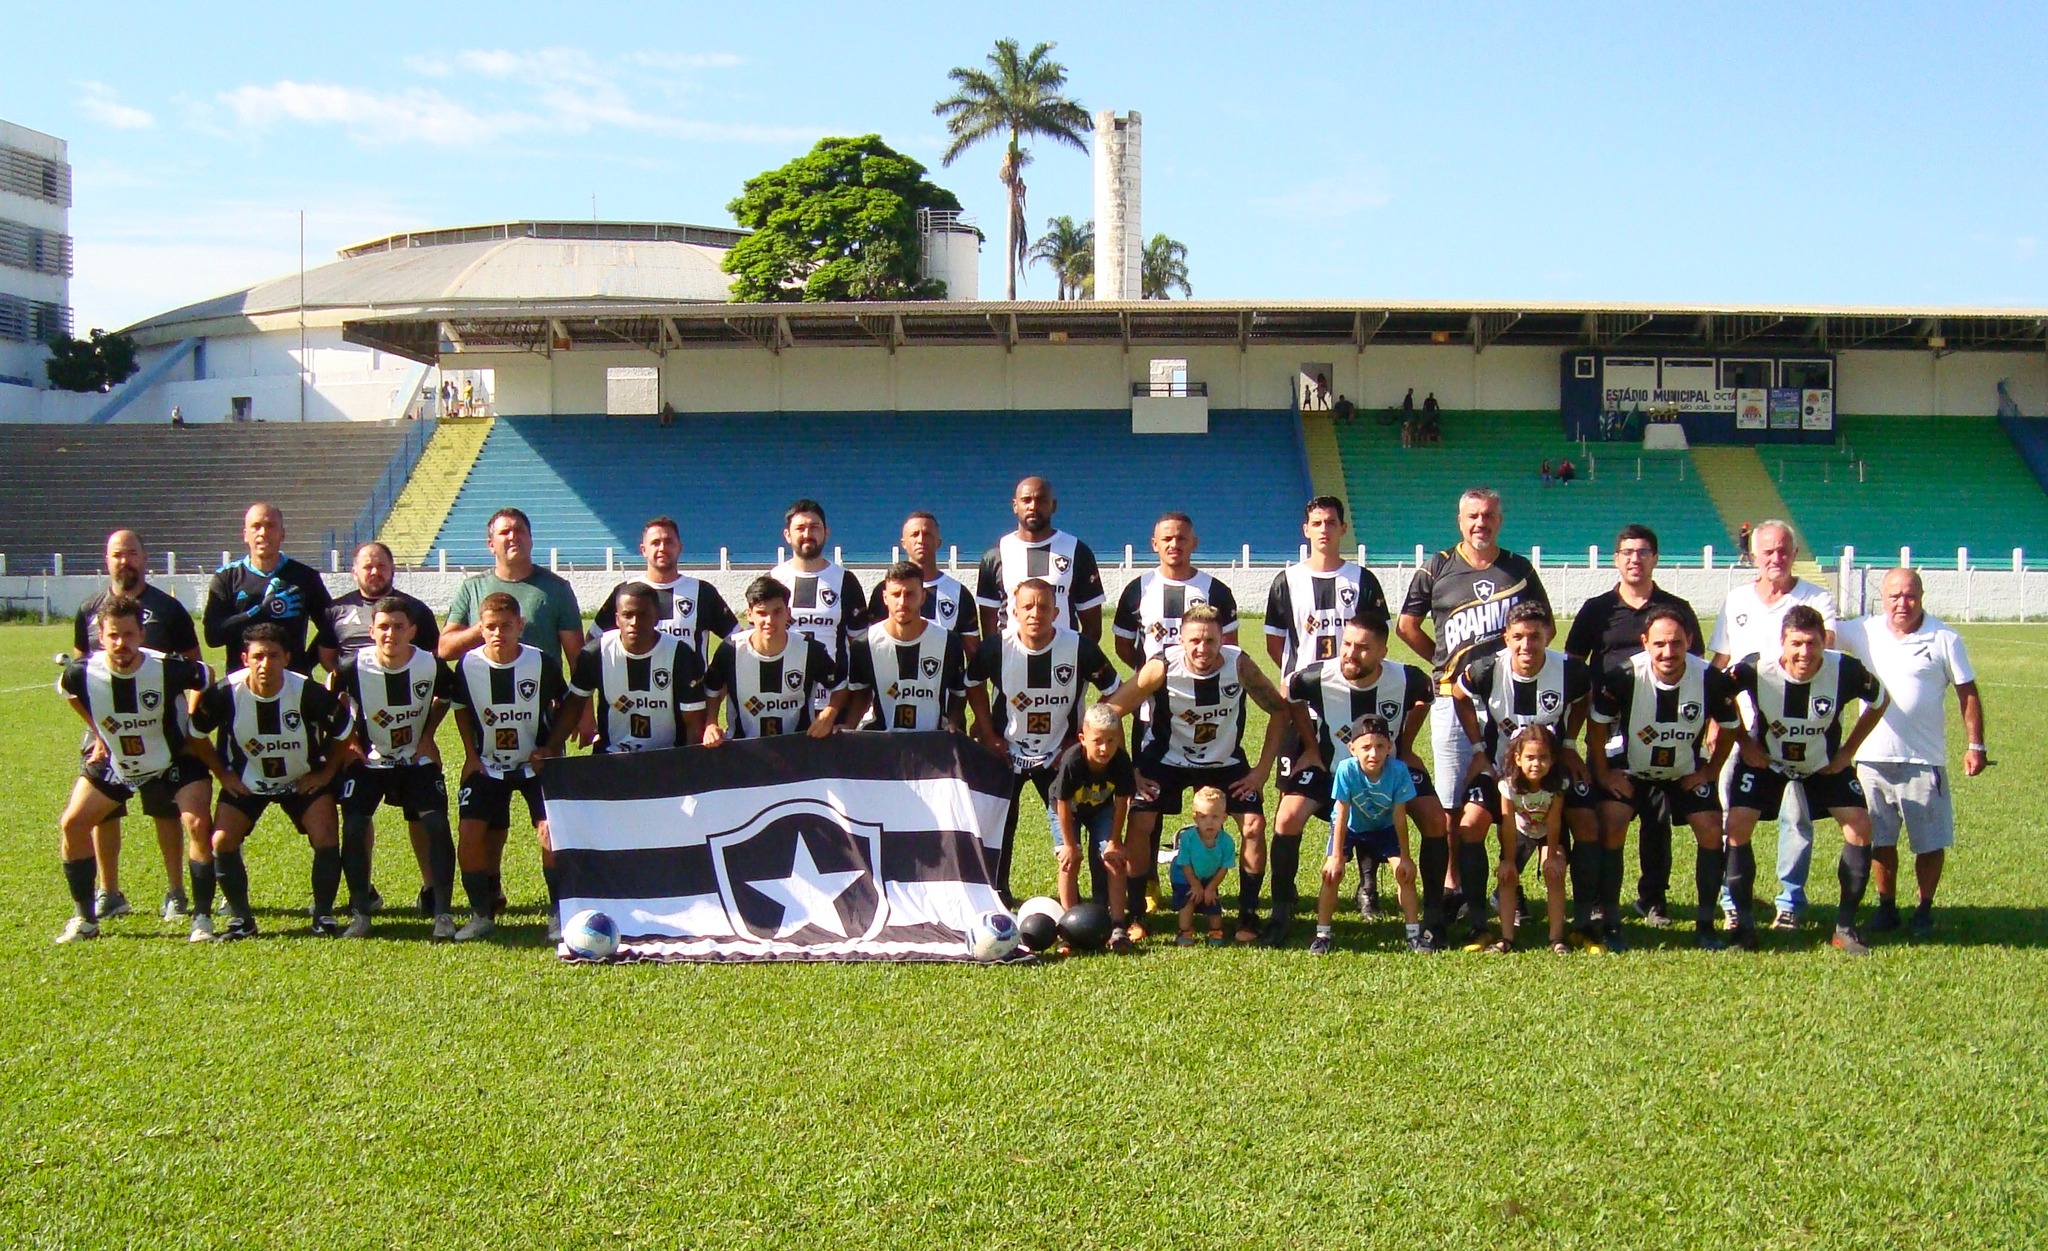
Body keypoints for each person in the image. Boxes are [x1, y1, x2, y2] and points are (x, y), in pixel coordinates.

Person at [1105, 605, 1298, 944]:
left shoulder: (1239, 664)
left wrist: (1261, 771)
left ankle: (1248, 914)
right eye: (1195, 640)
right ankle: (1136, 915)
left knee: (1254, 825)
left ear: (1222, 639)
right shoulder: (1162, 666)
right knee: (1141, 822)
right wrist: (1131, 773)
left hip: (1224, 760)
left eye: (1210, 640)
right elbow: (1112, 710)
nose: (1202, 649)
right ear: (1181, 640)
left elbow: (1280, 710)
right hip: (1167, 758)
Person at [1723, 606, 1889, 954]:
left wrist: (1848, 751)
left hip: (1822, 763)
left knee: (1859, 825)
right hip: (1767, 760)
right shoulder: (1755, 668)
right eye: (1796, 643)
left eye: (1812, 643)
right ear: (1782, 642)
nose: (1804, 653)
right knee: (1738, 825)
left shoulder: (1844, 668)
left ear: (1822, 643)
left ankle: (1845, 928)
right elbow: (1720, 696)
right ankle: (1745, 927)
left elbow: (1880, 700)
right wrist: (1744, 741)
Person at [1563, 523, 1705, 926]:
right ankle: (1595, 898)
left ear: (1655, 558)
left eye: (1643, 552)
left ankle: (1653, 897)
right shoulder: (1597, 609)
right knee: (1602, 813)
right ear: (1616, 559)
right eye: (1627, 552)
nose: (1635, 559)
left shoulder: (1675, 609)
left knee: (1657, 815)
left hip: (1664, 727)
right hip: (1605, 727)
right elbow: (1574, 668)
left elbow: (1696, 669)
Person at [1268, 612, 1438, 948]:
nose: (1349, 653)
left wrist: (1405, 746)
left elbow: (1425, 698)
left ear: (1382, 653)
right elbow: (1293, 695)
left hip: (1385, 771)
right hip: (1333, 770)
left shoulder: (1407, 679)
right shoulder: (1318, 676)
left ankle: (1433, 918)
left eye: (1362, 648)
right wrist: (1312, 747)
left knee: (1435, 820)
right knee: (1286, 818)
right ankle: (1280, 912)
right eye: (1346, 644)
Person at [548, 582, 708, 940]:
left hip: (665, 760)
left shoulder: (680, 655)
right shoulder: (595, 654)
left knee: (668, 837)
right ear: (616, 617)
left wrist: (691, 768)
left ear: (658, 616)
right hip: (612, 760)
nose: (635, 621)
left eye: (643, 614)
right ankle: (598, 900)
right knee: (603, 835)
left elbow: (693, 723)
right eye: (627, 615)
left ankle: (675, 902)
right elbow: (575, 704)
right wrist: (549, 747)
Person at [52, 597, 217, 944]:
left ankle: (201, 917)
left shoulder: (166, 668)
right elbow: (67, 691)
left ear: (141, 634)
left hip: (172, 758)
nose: (121, 643)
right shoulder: (83, 671)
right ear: (101, 636)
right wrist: (98, 734)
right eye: (113, 635)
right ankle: (85, 919)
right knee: (73, 824)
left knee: (197, 822)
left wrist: (192, 729)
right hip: (119, 762)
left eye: (128, 634)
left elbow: (206, 676)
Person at [1836, 568, 1987, 936]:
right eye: (1893, 596)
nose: (1901, 603)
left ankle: (1924, 907)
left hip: (1923, 759)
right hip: (1871, 759)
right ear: (1882, 598)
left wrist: (1975, 745)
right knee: (1879, 840)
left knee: (1929, 843)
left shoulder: (1945, 638)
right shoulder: (1863, 630)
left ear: (1921, 595)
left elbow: (1967, 693)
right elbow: (1819, 630)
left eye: (1909, 595)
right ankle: (1886, 906)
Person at [190, 622, 357, 940]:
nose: (265, 664)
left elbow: (344, 731)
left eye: (273, 656)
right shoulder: (226, 692)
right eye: (258, 656)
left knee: (325, 834)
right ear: (245, 658)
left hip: (300, 779)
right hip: (248, 781)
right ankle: (242, 920)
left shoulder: (306, 691)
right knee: (222, 840)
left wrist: (325, 772)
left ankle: (323, 915)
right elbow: (196, 733)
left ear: (286, 658)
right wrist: (223, 774)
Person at [1588, 607, 1743, 950]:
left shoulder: (1711, 679)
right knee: (1612, 821)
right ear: (1645, 642)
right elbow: (1596, 728)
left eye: (1676, 643)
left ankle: (1705, 925)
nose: (1668, 652)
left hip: (1683, 770)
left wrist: (1709, 771)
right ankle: (1611, 921)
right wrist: (1604, 773)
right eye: (1659, 644)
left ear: (1689, 640)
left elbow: (1732, 728)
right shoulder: (1624, 676)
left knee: (1710, 827)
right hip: (1630, 767)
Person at [1707, 519, 1836, 929]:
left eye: (1783, 550)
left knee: (1795, 816)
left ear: (1795, 553)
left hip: (1798, 730)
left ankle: (1789, 902)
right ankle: (1733, 899)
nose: (1776, 558)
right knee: (1733, 816)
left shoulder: (1817, 598)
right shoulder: (1737, 599)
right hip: (1740, 729)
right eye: (1768, 552)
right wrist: (1714, 717)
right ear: (1753, 556)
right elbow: (1721, 662)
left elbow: (1825, 649)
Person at [964, 578, 1121, 908]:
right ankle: (995, 894)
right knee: (998, 821)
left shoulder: (1078, 646)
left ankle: (1092, 904)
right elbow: (973, 684)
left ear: (1056, 610)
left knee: (1075, 821)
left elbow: (1113, 688)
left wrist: (1078, 738)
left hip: (1059, 754)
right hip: (1007, 751)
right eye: (1028, 606)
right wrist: (990, 735)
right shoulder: (996, 646)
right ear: (1014, 610)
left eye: (1044, 606)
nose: (1036, 612)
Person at [73, 529, 204, 922]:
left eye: (132, 553)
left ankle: (176, 892)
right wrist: (97, 732)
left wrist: (191, 728)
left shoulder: (168, 609)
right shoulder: (89, 608)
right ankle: (108, 892)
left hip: (160, 731)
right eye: (117, 554)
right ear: (106, 558)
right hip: (110, 732)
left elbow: (195, 666)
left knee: (166, 810)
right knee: (102, 812)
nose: (124, 560)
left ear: (145, 558)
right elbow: (78, 673)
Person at [1450, 602, 1599, 947]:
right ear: (1506, 637)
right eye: (1518, 637)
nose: (1526, 645)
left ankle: (1583, 922)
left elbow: (1585, 696)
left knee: (1589, 824)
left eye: (1535, 636)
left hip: (1550, 770)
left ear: (1547, 635)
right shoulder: (1486, 669)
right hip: (1501, 770)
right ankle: (1477, 922)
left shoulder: (1570, 672)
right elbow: (1458, 694)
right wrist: (1477, 749)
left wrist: (1570, 742)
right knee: (1469, 825)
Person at [1397, 488, 1550, 811]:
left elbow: (1545, 626)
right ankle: (1452, 865)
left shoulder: (1519, 569)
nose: (1481, 522)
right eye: (1473, 516)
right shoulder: (1436, 567)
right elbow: (1406, 626)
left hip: (1506, 696)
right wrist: (1443, 660)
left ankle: (1514, 858)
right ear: (1460, 522)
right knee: (1451, 800)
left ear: (1500, 520)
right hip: (1452, 695)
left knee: (1521, 789)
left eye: (1488, 515)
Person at [322, 539, 440, 916]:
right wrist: (347, 736)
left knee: (418, 813)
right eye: (366, 566)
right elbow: (328, 670)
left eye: (381, 566)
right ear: (354, 571)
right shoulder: (335, 610)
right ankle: (364, 890)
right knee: (358, 814)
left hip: (406, 728)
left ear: (392, 569)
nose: (374, 572)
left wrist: (427, 734)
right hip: (362, 732)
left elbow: (432, 670)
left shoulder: (414, 609)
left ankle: (431, 889)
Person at [332, 597, 461, 939]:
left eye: (399, 627)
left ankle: (443, 912)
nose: (391, 634)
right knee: (356, 825)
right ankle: (361, 911)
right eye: (384, 627)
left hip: (415, 760)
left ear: (412, 631)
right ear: (371, 630)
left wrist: (428, 735)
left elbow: (447, 696)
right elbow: (334, 702)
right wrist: (351, 742)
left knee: (435, 823)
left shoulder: (430, 666)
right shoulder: (352, 666)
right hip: (370, 761)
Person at [446, 593, 568, 941]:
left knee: (550, 832)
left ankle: (558, 912)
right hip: (487, 766)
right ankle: (481, 913)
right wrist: (471, 754)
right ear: (480, 629)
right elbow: (460, 708)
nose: (498, 633)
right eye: (490, 627)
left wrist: (550, 747)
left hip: (535, 766)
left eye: (506, 626)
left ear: (520, 626)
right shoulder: (468, 665)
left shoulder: (541, 663)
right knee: (469, 833)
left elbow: (565, 707)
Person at [1311, 716, 1423, 954]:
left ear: (1390, 747)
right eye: (1366, 747)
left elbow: (1400, 816)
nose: (1374, 754)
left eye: (1380, 746)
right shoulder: (1346, 770)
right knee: (1332, 874)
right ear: (1352, 749)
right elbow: (1341, 812)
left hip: (1384, 827)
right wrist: (1335, 856)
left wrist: (1405, 856)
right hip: (1351, 827)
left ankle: (1414, 934)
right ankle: (1323, 935)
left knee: (1404, 875)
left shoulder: (1398, 771)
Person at [440, 507, 584, 679]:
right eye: (504, 532)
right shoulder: (471, 588)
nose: (513, 536)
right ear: (491, 545)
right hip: (482, 699)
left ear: (531, 540)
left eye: (519, 531)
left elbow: (577, 662)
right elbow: (445, 650)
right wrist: (488, 627)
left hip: (538, 699)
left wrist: (582, 704)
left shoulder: (557, 589)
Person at [844, 562, 984, 734]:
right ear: (885, 598)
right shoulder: (864, 645)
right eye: (896, 594)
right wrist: (849, 728)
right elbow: (860, 694)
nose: (902, 602)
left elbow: (957, 693)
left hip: (931, 740)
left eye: (910, 594)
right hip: (883, 742)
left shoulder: (948, 641)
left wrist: (952, 723)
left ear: (923, 596)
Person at [701, 576, 845, 742]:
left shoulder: (810, 649)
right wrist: (711, 723)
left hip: (799, 747)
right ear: (749, 615)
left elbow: (840, 686)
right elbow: (712, 691)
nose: (769, 621)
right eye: (762, 613)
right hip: (743, 749)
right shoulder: (730, 650)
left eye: (777, 612)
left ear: (788, 613)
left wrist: (829, 713)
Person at [203, 502, 335, 675]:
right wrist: (259, 612)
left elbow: (331, 626)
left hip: (292, 684)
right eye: (256, 526)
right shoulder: (227, 577)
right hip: (241, 685)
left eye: (270, 526)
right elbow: (212, 637)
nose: (263, 533)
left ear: (282, 534)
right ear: (245, 535)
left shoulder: (305, 577)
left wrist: (305, 662)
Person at [1265, 496, 1389, 679]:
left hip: (1352, 687)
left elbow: (1378, 638)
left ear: (1343, 528)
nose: (1324, 529)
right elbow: (1274, 643)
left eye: (1331, 523)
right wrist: (1299, 676)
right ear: (1306, 530)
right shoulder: (1286, 581)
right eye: (1317, 523)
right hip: (1302, 691)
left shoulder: (1363, 580)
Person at [1047, 704, 1136, 945]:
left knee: (1114, 859)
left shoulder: (1120, 762)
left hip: (1102, 809)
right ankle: (1069, 926)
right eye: (1098, 741)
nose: (1105, 748)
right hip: (1067, 811)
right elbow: (1062, 803)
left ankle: (1118, 925)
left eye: (1111, 740)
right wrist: (1068, 844)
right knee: (1070, 860)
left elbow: (1121, 804)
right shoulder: (1072, 761)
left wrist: (1115, 842)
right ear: (1083, 739)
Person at [976, 476, 1107, 639]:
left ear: (1053, 506)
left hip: (1062, 660)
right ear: (1015, 506)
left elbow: (1093, 627)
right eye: (1026, 500)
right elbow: (988, 627)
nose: (1033, 506)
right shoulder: (996, 554)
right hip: (1012, 659)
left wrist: (1074, 658)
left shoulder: (1077, 551)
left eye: (1041, 500)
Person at [590, 516, 738, 660]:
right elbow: (593, 639)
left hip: (689, 685)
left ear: (680, 548)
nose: (662, 548)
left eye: (669, 542)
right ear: (643, 550)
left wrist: (717, 676)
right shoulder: (626, 592)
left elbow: (737, 640)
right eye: (655, 543)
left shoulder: (703, 592)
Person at [769, 499, 868, 710]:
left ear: (826, 532)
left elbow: (860, 646)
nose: (807, 534)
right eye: (800, 528)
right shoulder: (773, 580)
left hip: (833, 701)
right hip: (784, 701)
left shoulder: (845, 581)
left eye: (814, 527)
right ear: (787, 535)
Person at [1113, 511, 1239, 667]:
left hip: (1202, 689)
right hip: (1152, 689)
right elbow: (1123, 646)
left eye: (1181, 539)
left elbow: (1230, 646)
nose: (1174, 545)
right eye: (1167, 539)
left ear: (1194, 543)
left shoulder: (1216, 591)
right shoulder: (1137, 590)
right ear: (1154, 544)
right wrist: (1149, 673)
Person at [1490, 726, 1569, 954]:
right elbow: (1506, 823)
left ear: (1553, 759)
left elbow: (1554, 822)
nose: (1536, 764)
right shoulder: (1509, 785)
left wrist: (1552, 856)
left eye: (1543, 757)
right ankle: (1506, 938)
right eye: (1530, 757)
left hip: (1548, 834)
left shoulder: (1557, 785)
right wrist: (1507, 859)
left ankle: (1556, 939)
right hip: (1519, 833)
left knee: (1554, 874)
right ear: (1518, 758)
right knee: (1508, 877)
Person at [866, 511, 979, 654]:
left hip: (943, 676)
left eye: (927, 534)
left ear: (938, 542)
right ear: (903, 543)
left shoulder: (958, 593)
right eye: (914, 534)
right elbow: (872, 644)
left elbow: (973, 655)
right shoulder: (886, 591)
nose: (921, 540)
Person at [1170, 788, 1237, 945]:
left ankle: (1215, 931)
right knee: (1189, 901)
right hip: (1184, 875)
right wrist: (1195, 885)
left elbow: (1224, 867)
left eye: (1215, 817)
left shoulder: (1227, 841)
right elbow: (1184, 863)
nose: (1209, 822)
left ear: (1224, 818)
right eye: (1203, 817)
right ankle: (1185, 932)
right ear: (1195, 818)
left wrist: (1211, 888)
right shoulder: (1188, 838)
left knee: (1212, 901)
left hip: (1209, 876)